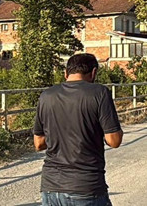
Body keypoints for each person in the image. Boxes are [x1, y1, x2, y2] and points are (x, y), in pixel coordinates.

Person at [33, 53, 123, 206]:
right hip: (86, 187)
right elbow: (114, 141)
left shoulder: (46, 95)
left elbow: (39, 143)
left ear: (66, 73)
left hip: (51, 187)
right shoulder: (99, 93)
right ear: (94, 72)